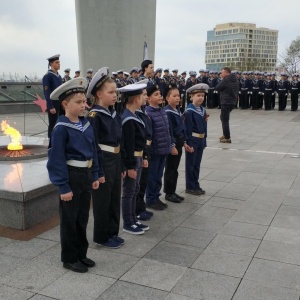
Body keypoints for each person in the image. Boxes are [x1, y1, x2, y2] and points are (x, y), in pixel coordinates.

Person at [47, 77, 99, 273]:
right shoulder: (60, 128)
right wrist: (63, 186)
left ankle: (81, 254)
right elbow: (56, 159)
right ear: (65, 104)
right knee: (69, 219)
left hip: (85, 174)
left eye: (84, 101)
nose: (83, 105)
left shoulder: (85, 124)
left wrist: (94, 174)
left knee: (82, 217)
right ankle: (69, 258)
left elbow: (93, 151)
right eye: (78, 102)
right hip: (71, 175)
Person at [87, 67, 125, 249]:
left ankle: (113, 232)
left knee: (114, 198)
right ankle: (102, 236)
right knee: (102, 201)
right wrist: (98, 171)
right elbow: (93, 146)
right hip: (104, 160)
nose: (115, 95)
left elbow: (120, 139)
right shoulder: (95, 116)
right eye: (111, 92)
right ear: (99, 94)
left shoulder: (113, 112)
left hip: (115, 160)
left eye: (116, 92)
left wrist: (123, 165)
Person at [118, 82, 150, 234]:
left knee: (135, 189)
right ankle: (128, 222)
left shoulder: (134, 115)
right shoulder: (128, 119)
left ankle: (133, 218)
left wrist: (143, 156)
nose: (145, 98)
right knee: (129, 191)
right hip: (132, 160)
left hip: (137, 158)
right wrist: (130, 166)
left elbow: (140, 142)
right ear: (136, 99)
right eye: (143, 95)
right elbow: (128, 146)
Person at [145, 85, 171, 210]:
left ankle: (156, 197)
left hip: (163, 149)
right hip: (155, 151)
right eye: (156, 94)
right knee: (152, 176)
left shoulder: (162, 110)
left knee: (159, 176)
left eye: (160, 94)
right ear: (148, 98)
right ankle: (150, 199)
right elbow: (149, 135)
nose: (160, 96)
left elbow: (167, 130)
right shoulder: (148, 113)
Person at [163, 84, 191, 203]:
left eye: (178, 96)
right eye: (174, 96)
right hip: (173, 144)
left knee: (175, 168)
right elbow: (169, 131)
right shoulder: (168, 112)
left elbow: (181, 128)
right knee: (170, 168)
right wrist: (172, 146)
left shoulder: (177, 110)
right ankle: (169, 193)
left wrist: (184, 141)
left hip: (179, 142)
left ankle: (172, 191)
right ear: (167, 98)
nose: (177, 98)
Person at [183, 83, 208, 195]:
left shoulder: (202, 110)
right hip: (193, 140)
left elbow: (204, 127)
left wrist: (204, 141)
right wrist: (189, 143)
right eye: (198, 95)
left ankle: (195, 184)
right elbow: (188, 129)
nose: (201, 98)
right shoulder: (189, 111)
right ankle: (190, 186)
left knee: (197, 165)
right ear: (191, 97)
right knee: (191, 164)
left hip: (200, 141)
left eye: (202, 95)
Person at [215, 67, 239, 143]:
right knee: (223, 117)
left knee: (225, 119)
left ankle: (227, 137)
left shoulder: (226, 79)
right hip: (232, 102)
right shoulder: (235, 79)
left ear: (226, 73)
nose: (221, 74)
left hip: (226, 101)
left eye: (222, 72)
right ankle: (225, 134)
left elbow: (217, 88)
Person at [42, 54, 62, 138]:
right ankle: (50, 140)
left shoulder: (59, 76)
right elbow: (47, 92)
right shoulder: (47, 76)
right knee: (53, 123)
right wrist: (50, 106)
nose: (59, 64)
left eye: (59, 62)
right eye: (57, 62)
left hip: (60, 103)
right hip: (53, 103)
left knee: (60, 122)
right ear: (51, 64)